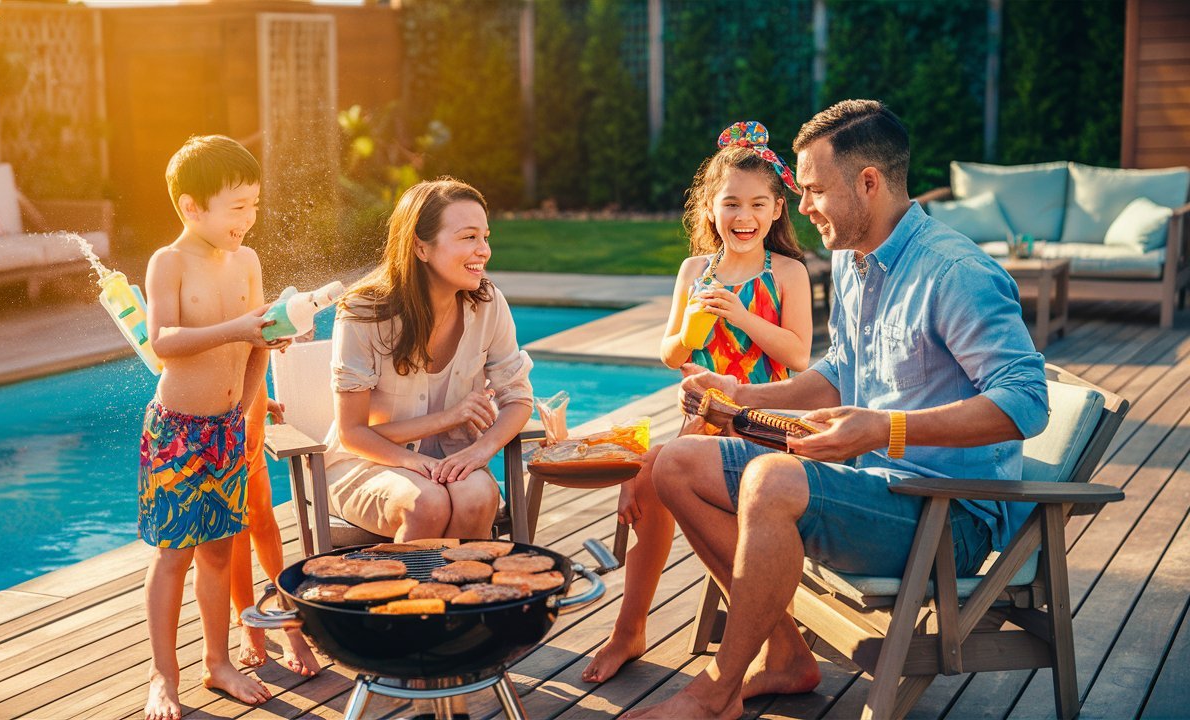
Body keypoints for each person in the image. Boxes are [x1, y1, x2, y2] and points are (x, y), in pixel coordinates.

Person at [621, 100, 1049, 719]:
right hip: (869, 490)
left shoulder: (954, 273)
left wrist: (886, 428)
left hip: (943, 515)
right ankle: (788, 656)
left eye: (815, 189)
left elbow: (1025, 401)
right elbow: (842, 368)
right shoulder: (854, 260)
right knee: (677, 463)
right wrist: (743, 396)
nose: (802, 206)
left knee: (770, 478)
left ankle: (715, 692)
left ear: (868, 182)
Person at [582, 121, 813, 684]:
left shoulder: (786, 272)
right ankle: (630, 628)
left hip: (763, 424)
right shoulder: (695, 271)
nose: (744, 216)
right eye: (730, 203)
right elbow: (670, 352)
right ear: (710, 209)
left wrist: (741, 316)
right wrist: (689, 334)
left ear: (778, 209)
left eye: (758, 204)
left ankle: (763, 636)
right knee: (643, 478)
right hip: (702, 425)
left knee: (655, 475)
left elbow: (800, 355)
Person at [140, 135, 286, 720]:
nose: (248, 220)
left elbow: (261, 345)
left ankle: (216, 662)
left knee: (221, 555)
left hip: (226, 429)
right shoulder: (168, 263)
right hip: (177, 432)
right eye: (237, 208)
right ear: (190, 207)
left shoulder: (246, 261)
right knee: (175, 555)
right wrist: (239, 329)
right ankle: (162, 675)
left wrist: (246, 412)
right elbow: (164, 342)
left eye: (254, 204)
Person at [325, 177, 534, 541]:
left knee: (478, 496)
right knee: (427, 503)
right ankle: (412, 597)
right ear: (421, 247)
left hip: (453, 459)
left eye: (485, 237)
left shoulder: (488, 304)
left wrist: (480, 452)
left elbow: (517, 397)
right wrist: (446, 422)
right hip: (366, 463)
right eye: (469, 237)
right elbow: (353, 433)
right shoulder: (363, 312)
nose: (483, 250)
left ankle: (464, 597)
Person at [229, 385, 321, 676]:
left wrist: (259, 405)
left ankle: (283, 606)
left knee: (262, 515)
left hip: (246, 408)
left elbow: (256, 356)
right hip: (216, 413)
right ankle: (249, 620)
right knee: (236, 526)